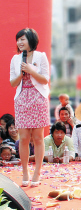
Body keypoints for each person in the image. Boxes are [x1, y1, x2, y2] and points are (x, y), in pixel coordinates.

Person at [10, 28, 50, 187]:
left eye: (23, 39)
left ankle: (37, 172)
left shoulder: (41, 56)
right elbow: (13, 83)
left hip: (38, 97)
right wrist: (21, 73)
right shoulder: (15, 59)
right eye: (18, 39)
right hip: (22, 98)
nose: (19, 42)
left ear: (31, 40)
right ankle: (25, 171)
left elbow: (45, 80)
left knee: (38, 137)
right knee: (24, 138)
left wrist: (31, 70)